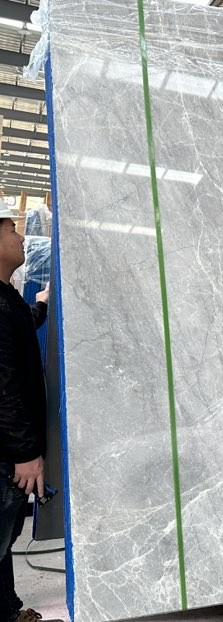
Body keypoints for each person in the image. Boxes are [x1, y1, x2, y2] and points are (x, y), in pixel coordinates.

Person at [0, 209, 53, 622]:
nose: (21, 238)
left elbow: (17, 332)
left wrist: (41, 306)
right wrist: (25, 453)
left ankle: (8, 609)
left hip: (11, 452)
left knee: (5, 541)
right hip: (7, 454)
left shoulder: (7, 298)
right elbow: (1, 388)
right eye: (11, 229)